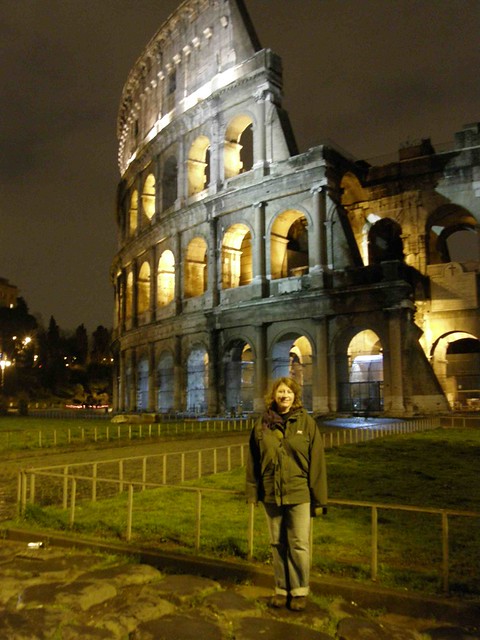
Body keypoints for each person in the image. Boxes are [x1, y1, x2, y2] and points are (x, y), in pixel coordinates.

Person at [246, 377, 327, 611]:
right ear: (274, 396)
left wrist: (319, 499)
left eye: (289, 392)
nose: (284, 396)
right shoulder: (262, 425)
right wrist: (253, 491)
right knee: (277, 543)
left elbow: (317, 462)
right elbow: (253, 460)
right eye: (280, 392)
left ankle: (300, 590)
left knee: (299, 544)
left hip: (299, 493)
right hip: (272, 492)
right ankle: (282, 589)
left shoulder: (307, 423)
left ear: (295, 396)